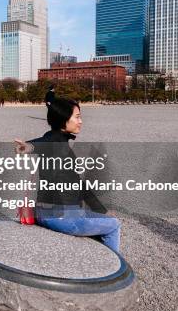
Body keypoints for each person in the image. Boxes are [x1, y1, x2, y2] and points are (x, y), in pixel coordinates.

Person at [14, 97, 121, 253]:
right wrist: (28, 147)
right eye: (77, 117)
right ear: (64, 119)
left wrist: (100, 209)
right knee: (114, 225)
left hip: (45, 213)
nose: (81, 121)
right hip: (62, 217)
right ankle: (112, 273)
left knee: (97, 221)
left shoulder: (58, 140)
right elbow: (43, 142)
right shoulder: (56, 141)